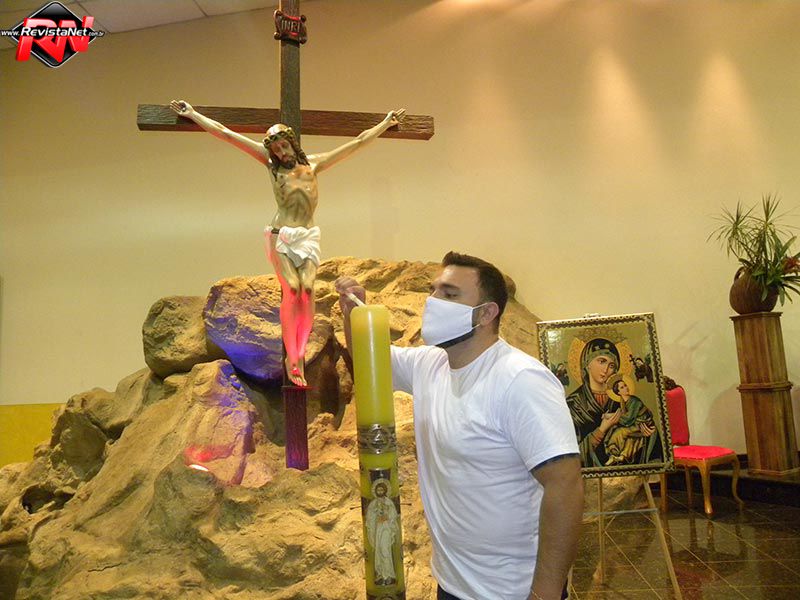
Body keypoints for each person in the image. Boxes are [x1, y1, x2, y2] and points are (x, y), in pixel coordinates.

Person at [336, 252, 584, 600]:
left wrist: (545, 593)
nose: (433, 302)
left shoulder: (520, 380)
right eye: (434, 290)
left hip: (510, 590)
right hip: (452, 583)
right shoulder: (430, 364)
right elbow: (371, 359)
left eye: (450, 294)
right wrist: (354, 314)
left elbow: (565, 485)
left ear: (485, 313)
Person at [170, 100, 404, 386]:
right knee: (292, 289)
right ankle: (292, 357)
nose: (281, 152)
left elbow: (357, 143)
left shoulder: (314, 165)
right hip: (281, 234)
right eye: (276, 149)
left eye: (284, 146)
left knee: (308, 290)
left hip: (307, 237)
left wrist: (385, 124)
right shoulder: (272, 167)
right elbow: (228, 134)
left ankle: (299, 351)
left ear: (292, 143)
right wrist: (194, 115)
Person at [564, 338, 624, 468]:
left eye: (612, 366)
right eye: (601, 361)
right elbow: (568, 455)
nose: (606, 369)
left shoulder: (621, 400)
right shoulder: (573, 404)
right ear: (587, 363)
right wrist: (602, 429)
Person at [603, 375, 661, 466]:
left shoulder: (634, 401)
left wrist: (611, 416)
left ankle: (613, 451)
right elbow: (624, 415)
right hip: (636, 424)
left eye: (625, 385)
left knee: (620, 432)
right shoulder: (623, 402)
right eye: (622, 387)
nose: (626, 388)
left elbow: (628, 419)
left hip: (644, 424)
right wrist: (611, 416)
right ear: (618, 392)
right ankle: (618, 456)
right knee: (628, 437)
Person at [365, 479, 401, 586]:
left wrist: (387, 517)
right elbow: (369, 518)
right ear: (376, 491)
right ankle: (380, 574)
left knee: (385, 550)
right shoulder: (373, 503)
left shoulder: (388, 502)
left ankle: (388, 575)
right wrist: (376, 515)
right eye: (378, 490)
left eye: (381, 490)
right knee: (379, 550)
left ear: (385, 490)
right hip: (378, 528)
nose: (380, 492)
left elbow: (393, 515)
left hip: (386, 528)